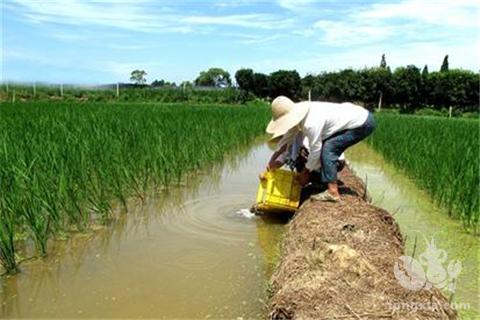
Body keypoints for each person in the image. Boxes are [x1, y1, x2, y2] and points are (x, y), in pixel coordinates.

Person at [265, 96, 376, 202]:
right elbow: (285, 142)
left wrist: (305, 172)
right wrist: (270, 164)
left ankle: (332, 192)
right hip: (359, 117)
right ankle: (324, 183)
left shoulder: (310, 124)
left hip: (362, 123)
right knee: (326, 147)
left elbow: (315, 151)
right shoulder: (299, 117)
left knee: (329, 149)